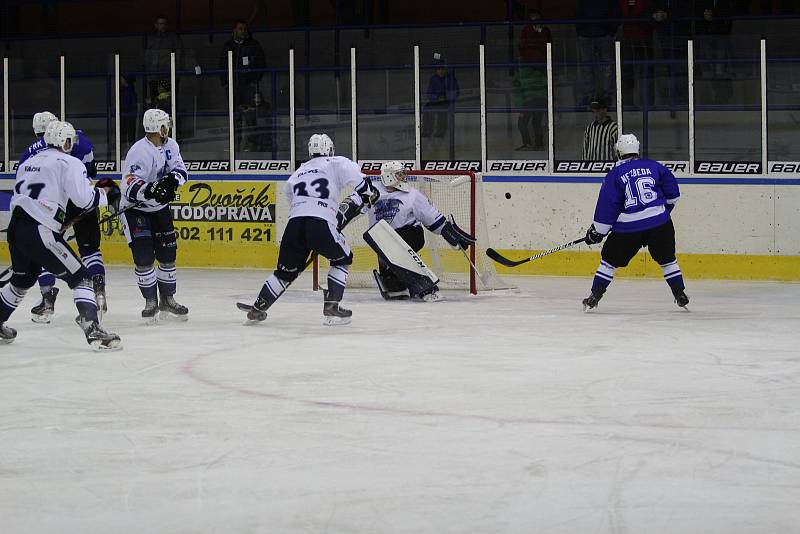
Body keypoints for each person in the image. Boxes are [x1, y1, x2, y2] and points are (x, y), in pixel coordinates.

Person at [0, 121, 121, 349]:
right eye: (69, 141)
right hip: (39, 229)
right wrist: (106, 194)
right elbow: (83, 199)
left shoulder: (30, 161)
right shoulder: (69, 162)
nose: (71, 145)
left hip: (15, 228)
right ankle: (93, 329)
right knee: (81, 277)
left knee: (22, 279)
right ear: (64, 141)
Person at [240, 133, 379, 326]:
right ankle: (332, 304)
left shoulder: (299, 171)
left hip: (295, 224)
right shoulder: (337, 162)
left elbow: (290, 198)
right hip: (320, 222)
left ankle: (258, 307)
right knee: (342, 258)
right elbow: (360, 183)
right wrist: (369, 194)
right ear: (330, 149)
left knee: (284, 272)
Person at [19, 111, 116, 323]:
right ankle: (99, 292)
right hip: (85, 197)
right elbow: (91, 172)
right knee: (90, 249)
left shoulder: (30, 152)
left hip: (52, 206)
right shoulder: (82, 141)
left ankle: (47, 299)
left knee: (45, 250)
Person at [582, 133, 689, 310]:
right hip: (660, 225)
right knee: (668, 260)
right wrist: (660, 213)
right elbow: (673, 195)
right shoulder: (655, 166)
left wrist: (597, 232)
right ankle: (680, 294)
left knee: (609, 262)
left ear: (618, 152)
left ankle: (594, 296)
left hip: (628, 229)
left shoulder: (614, 175)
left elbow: (608, 206)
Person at [367, 161, 476, 301]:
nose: (403, 177)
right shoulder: (370, 191)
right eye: (399, 174)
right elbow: (351, 207)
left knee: (396, 246)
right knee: (395, 290)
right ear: (388, 176)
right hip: (383, 239)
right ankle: (393, 280)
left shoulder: (412, 195)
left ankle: (424, 286)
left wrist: (448, 233)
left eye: (403, 174)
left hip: (410, 233)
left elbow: (432, 217)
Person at [120, 109, 189, 323]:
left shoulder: (171, 145)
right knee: (144, 257)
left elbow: (180, 170)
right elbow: (128, 184)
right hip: (135, 210)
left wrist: (170, 182)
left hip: (158, 208)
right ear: (159, 128)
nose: (167, 127)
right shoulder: (139, 151)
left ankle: (167, 298)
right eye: (165, 124)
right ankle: (151, 301)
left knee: (168, 254)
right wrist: (149, 190)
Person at [218, 20, 266, 149]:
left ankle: (252, 144)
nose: (243, 31)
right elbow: (222, 65)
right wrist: (225, 84)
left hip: (248, 87)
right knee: (235, 117)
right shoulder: (228, 46)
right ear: (234, 30)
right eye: (240, 28)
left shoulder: (254, 45)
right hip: (232, 87)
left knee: (250, 117)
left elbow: (261, 64)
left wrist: (254, 82)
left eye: (244, 29)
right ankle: (235, 145)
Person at [514, 8, 550, 151]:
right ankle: (532, 143)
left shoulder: (544, 31)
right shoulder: (524, 69)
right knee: (527, 121)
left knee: (535, 121)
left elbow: (548, 44)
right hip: (531, 98)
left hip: (536, 98)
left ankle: (537, 144)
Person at [575, 0, 620, 104]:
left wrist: (610, 31)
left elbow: (616, 11)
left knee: (606, 67)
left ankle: (606, 96)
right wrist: (580, 30)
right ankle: (590, 95)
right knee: (588, 67)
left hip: (602, 34)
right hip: (588, 34)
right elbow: (578, 11)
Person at [144, 15, 183, 111]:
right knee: (155, 103)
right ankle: (157, 125)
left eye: (164, 24)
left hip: (167, 76)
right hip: (154, 76)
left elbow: (179, 56)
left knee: (167, 103)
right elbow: (146, 57)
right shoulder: (150, 39)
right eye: (160, 24)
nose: (163, 26)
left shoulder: (173, 38)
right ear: (156, 25)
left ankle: (169, 125)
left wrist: (176, 74)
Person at [422, 54, 460, 138]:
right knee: (427, 108)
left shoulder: (450, 79)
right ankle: (427, 130)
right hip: (436, 101)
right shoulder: (433, 79)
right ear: (436, 70)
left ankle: (441, 130)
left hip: (447, 102)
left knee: (442, 110)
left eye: (442, 69)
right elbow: (429, 93)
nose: (441, 71)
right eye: (439, 69)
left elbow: (456, 91)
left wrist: (446, 97)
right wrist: (436, 98)